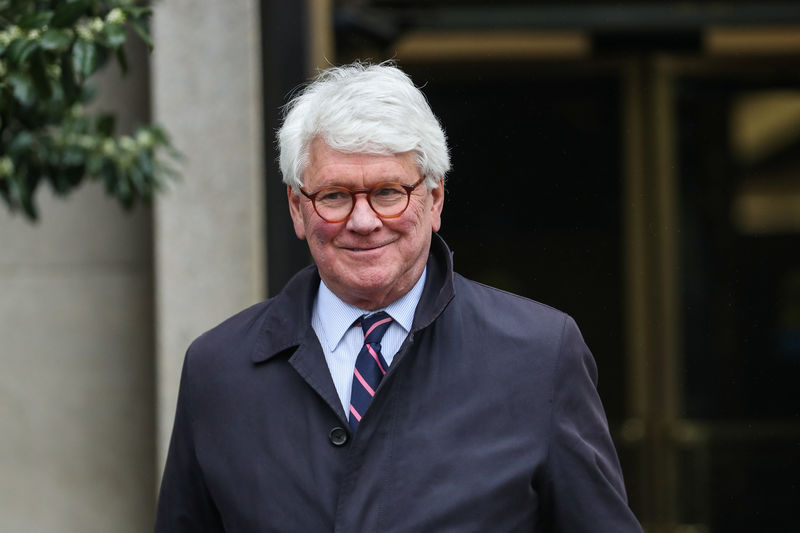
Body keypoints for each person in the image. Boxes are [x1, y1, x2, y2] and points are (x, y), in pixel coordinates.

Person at [155, 61, 643, 532]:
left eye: (389, 192)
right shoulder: (219, 370)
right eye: (335, 196)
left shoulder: (539, 355)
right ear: (297, 209)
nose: (363, 222)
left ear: (434, 200)